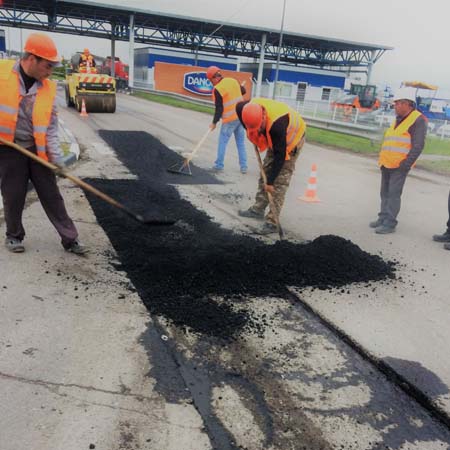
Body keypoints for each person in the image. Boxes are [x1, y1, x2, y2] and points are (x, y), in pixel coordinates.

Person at [0, 33, 88, 255]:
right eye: (47, 66)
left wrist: (57, 160)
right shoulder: (2, 73)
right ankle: (14, 236)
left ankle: (70, 239)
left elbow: (50, 129)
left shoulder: (47, 88)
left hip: (37, 150)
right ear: (31, 58)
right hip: (9, 147)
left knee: (52, 194)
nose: (50, 72)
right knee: (13, 194)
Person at [236, 98, 306, 234]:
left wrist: (271, 181)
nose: (259, 130)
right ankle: (258, 209)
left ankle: (272, 221)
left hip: (292, 140)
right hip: (275, 138)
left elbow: (280, 157)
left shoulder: (277, 125)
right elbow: (239, 108)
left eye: (259, 127)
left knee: (278, 182)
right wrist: (250, 129)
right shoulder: (247, 108)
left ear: (263, 116)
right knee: (265, 172)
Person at [369, 87, 427, 234]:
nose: (395, 106)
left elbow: (418, 145)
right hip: (387, 163)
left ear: (408, 104)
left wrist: (406, 165)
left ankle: (390, 223)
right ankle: (382, 218)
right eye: (395, 103)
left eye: (398, 103)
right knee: (385, 192)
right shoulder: (398, 119)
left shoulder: (418, 120)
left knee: (394, 194)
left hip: (400, 165)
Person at [206, 66, 248, 173]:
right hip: (241, 116)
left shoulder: (218, 89)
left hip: (230, 119)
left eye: (211, 81)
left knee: (222, 142)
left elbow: (219, 108)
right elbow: (243, 90)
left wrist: (214, 123)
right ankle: (244, 167)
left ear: (214, 78)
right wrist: (237, 89)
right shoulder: (232, 80)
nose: (212, 83)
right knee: (240, 143)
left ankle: (219, 165)